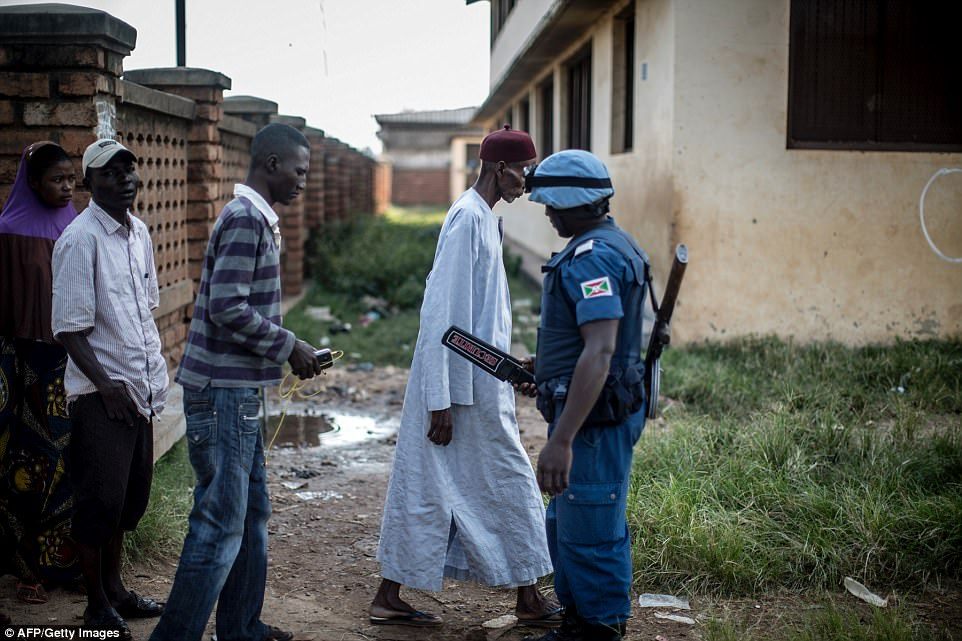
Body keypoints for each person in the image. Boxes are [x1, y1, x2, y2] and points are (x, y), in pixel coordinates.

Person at [371, 125, 558, 628]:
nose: (528, 181)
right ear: (501, 169)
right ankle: (529, 597)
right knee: (508, 479)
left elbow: (478, 320)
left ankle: (389, 595)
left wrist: (510, 367)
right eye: (525, 171)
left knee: (431, 487)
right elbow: (442, 317)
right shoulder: (467, 220)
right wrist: (440, 401)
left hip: (477, 383)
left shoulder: (483, 219)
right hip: (457, 392)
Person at [149, 123, 323, 641]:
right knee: (221, 522)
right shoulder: (246, 219)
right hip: (224, 395)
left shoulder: (255, 217)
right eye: (298, 171)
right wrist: (289, 345)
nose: (302, 183)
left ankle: (241, 626)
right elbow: (226, 307)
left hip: (236, 391)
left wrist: (286, 347)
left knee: (251, 517)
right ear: (270, 164)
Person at [525, 150, 653, 641]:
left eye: (553, 205)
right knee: (571, 521)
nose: (548, 213)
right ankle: (579, 620)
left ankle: (598, 628)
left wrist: (562, 440)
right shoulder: (612, 241)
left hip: (592, 422)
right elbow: (596, 345)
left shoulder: (593, 256)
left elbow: (600, 353)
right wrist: (550, 368)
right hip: (597, 409)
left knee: (592, 525)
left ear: (576, 203)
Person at [51, 139, 168, 638]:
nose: (123, 179)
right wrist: (106, 387)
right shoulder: (80, 240)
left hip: (138, 392)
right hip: (101, 397)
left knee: (125, 501)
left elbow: (144, 311)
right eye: (108, 173)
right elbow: (69, 329)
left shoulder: (138, 233)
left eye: (128, 170)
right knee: (97, 502)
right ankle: (95, 603)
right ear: (88, 183)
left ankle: (117, 591)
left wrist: (145, 381)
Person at [0, 141, 80, 606]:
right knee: (21, 464)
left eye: (72, 178)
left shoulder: (78, 227)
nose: (67, 187)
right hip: (18, 363)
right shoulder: (8, 231)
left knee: (67, 459)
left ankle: (65, 563)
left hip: (68, 363)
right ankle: (26, 567)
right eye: (57, 179)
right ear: (32, 183)